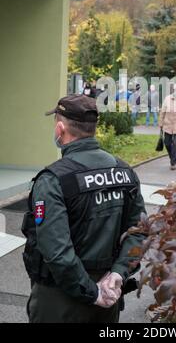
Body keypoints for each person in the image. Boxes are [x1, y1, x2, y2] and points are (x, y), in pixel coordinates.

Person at [22, 94, 146, 323]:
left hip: (61, 299)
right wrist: (119, 273)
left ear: (60, 129)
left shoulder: (53, 179)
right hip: (110, 295)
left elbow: (56, 251)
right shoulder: (125, 172)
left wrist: (92, 291)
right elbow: (140, 232)